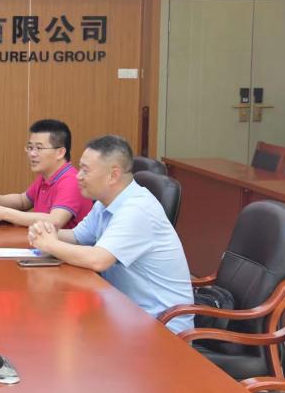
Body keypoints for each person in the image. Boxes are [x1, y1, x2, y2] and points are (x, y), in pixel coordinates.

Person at [28, 134, 194, 333]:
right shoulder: (105, 201)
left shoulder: (137, 209)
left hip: (160, 328)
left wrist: (50, 244)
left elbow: (98, 260)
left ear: (113, 175)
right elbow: (77, 237)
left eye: (86, 170)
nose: (78, 176)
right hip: (122, 312)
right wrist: (46, 231)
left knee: (59, 329)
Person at [0, 118, 92, 229]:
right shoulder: (46, 175)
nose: (32, 154)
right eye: (30, 147)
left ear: (60, 152)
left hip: (65, 245)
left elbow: (55, 221)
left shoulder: (71, 181)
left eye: (39, 148)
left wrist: (4, 213)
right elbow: (23, 201)